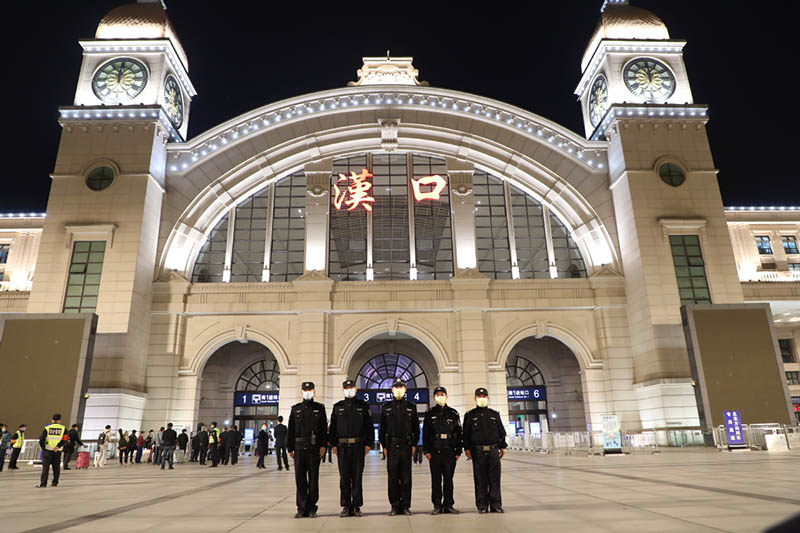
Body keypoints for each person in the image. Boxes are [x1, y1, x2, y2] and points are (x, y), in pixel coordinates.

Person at [328, 379, 372, 517]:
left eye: (351, 387)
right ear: (343, 390)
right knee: (344, 478)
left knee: (357, 478)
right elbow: (333, 428)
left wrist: (368, 444)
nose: (349, 389)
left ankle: (357, 505)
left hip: (358, 446)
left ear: (355, 389)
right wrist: (333, 445)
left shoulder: (363, 406)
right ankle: (346, 506)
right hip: (342, 447)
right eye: (346, 388)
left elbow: (369, 427)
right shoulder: (337, 407)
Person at [463, 388, 507, 514]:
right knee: (480, 479)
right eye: (479, 396)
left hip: (493, 451)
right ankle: (482, 505)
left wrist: (502, 446)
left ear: (488, 398)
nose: (482, 398)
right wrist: (467, 449)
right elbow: (465, 434)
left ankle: (496, 505)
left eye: (484, 396)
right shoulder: (470, 415)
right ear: (475, 398)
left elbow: (501, 432)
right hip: (478, 452)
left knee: (495, 479)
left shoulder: (494, 414)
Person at [287, 381, 328, 518]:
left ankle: (312, 507)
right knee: (300, 478)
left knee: (314, 479)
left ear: (314, 392)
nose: (308, 392)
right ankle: (301, 507)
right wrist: (290, 448)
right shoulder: (295, 409)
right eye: (305, 390)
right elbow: (291, 430)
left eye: (310, 390)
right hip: (299, 448)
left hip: (314, 448)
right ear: (301, 392)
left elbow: (323, 430)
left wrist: (323, 446)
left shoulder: (320, 409)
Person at [379, 379, 419, 516]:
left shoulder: (411, 407)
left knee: (406, 478)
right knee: (393, 478)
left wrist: (414, 445)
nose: (398, 389)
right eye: (396, 387)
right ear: (392, 390)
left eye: (401, 387)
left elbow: (416, 429)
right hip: (392, 447)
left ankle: (406, 505)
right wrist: (384, 446)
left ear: (405, 389)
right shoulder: (386, 408)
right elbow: (382, 429)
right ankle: (395, 505)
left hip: (406, 446)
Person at [423, 386, 463, 515]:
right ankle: (437, 505)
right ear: (434, 397)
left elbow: (459, 433)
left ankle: (449, 505)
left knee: (448, 480)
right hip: (435, 452)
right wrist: (426, 451)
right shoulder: (430, 414)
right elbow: (426, 434)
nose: (440, 396)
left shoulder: (453, 413)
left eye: (442, 394)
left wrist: (458, 451)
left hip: (450, 452)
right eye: (438, 394)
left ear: (446, 396)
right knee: (435, 481)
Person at [37, 413, 68, 488]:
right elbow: (65, 439)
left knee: (45, 468)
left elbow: (41, 439)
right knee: (56, 468)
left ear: (52, 420)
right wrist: (58, 447)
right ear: (60, 420)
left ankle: (43, 483)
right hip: (57, 451)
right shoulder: (63, 428)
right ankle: (55, 482)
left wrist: (44, 449)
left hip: (47, 450)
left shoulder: (47, 428)